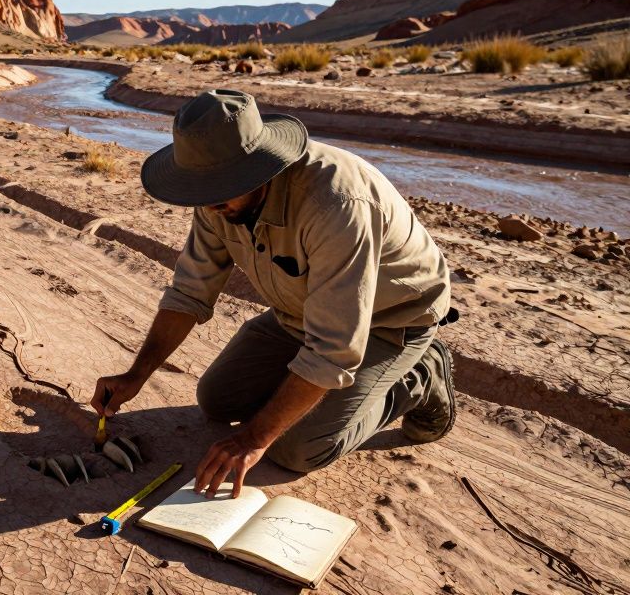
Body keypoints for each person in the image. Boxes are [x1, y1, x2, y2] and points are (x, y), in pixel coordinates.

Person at [91, 89, 456, 499]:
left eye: (219, 190)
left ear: (259, 170)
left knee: (294, 448)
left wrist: (254, 439)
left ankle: (420, 376)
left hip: (389, 320)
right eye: (201, 191)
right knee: (218, 399)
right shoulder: (216, 200)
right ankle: (309, 392)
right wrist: (136, 374)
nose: (209, 207)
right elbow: (190, 291)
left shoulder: (335, 204)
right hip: (298, 313)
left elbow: (331, 350)